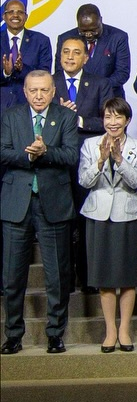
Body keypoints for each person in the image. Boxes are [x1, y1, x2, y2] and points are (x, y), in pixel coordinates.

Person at [1, 70, 80, 354]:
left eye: (44, 90)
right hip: (16, 204)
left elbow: (71, 155)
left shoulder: (66, 116)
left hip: (54, 204)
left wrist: (45, 151)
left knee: (57, 276)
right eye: (33, 90)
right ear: (24, 91)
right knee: (12, 277)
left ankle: (55, 334)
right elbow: (3, 152)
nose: (38, 96)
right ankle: (13, 335)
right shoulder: (10, 116)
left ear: (53, 91)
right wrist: (28, 155)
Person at [76, 97, 137, 352]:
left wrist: (119, 160)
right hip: (98, 214)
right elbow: (84, 181)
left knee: (128, 276)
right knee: (104, 276)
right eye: (108, 117)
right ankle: (110, 330)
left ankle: (124, 329)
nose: (112, 122)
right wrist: (100, 161)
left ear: (127, 120)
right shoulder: (90, 145)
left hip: (128, 215)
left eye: (118, 117)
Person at [54, 36, 114, 294]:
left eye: (76, 52)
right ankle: (65, 280)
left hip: (89, 163)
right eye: (65, 52)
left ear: (86, 57)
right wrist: (59, 116)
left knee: (86, 221)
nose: (70, 57)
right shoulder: (48, 84)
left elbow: (109, 121)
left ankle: (88, 278)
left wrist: (77, 120)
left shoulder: (100, 83)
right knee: (61, 224)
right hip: (56, 164)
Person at [54, 3, 130, 95]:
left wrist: (97, 87)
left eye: (93, 30)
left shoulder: (118, 37)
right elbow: (60, 72)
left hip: (109, 96)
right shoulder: (65, 39)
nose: (89, 34)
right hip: (76, 97)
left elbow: (122, 73)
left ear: (100, 20)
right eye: (83, 31)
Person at [1, 0, 52, 112]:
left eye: (20, 12)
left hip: (29, 105)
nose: (15, 15)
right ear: (4, 16)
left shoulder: (41, 41)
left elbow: (45, 75)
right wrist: (6, 73)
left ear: (26, 17)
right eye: (11, 12)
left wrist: (23, 69)